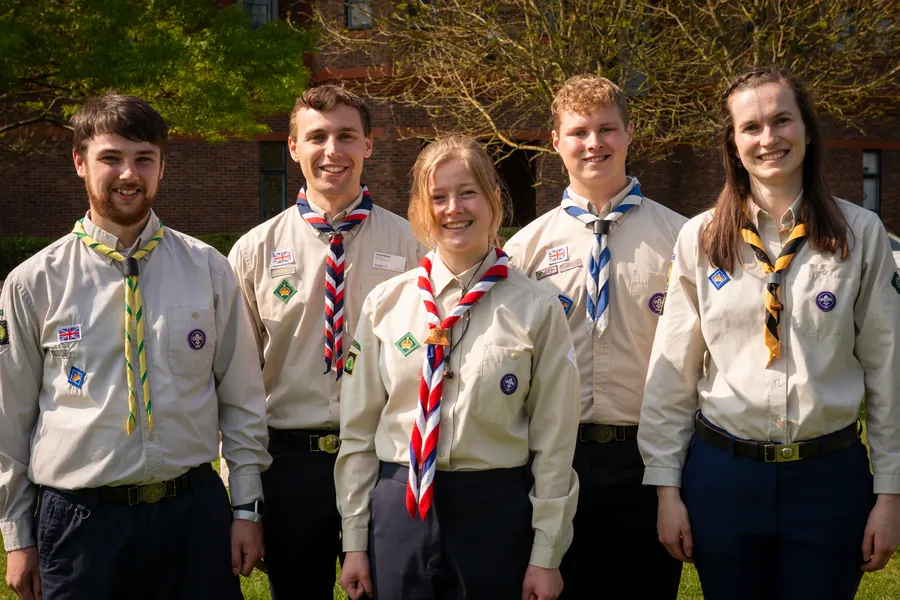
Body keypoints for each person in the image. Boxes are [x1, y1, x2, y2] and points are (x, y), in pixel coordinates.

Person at [639, 67, 900, 599]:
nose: (768, 138)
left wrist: (891, 494)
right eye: (751, 127)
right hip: (724, 479)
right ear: (733, 145)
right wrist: (666, 487)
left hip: (829, 480)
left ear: (807, 130)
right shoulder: (700, 238)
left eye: (782, 120)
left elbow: (887, 369)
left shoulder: (860, 234)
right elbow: (672, 373)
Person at [0, 94, 271, 600]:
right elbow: (9, 420)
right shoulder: (33, 283)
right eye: (111, 158)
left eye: (144, 158)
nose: (129, 174)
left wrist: (246, 508)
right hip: (82, 525)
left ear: (162, 167)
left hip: (192, 515)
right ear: (80, 162)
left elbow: (241, 400)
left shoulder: (209, 270)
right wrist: (17, 534)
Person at [336, 136, 580, 600]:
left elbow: (554, 443)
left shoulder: (538, 308)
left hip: (494, 511)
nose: (454, 208)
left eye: (468, 192)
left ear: (493, 199)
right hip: (399, 507)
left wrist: (546, 554)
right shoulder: (385, 304)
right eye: (438, 197)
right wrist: (354, 541)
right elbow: (358, 431)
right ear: (419, 209)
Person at [227, 84, 423, 598]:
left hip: (384, 460)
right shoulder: (253, 252)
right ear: (293, 146)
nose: (332, 150)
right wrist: (245, 498)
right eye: (316, 137)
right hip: (291, 465)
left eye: (346, 136)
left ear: (369, 144)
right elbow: (235, 383)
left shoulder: (413, 246)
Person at [504, 75, 686, 599]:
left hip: (649, 459)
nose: (594, 143)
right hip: (556, 460)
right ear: (555, 141)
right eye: (578, 132)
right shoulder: (524, 251)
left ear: (629, 133)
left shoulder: (682, 239)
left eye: (607, 129)